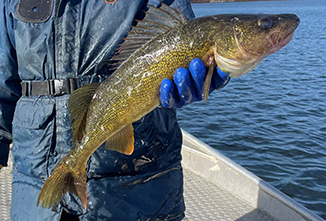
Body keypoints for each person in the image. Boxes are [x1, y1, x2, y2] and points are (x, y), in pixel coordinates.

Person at [0, 0, 228, 220]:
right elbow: (3, 82)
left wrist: (213, 72)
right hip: (34, 182)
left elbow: (190, 38)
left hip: (138, 191)